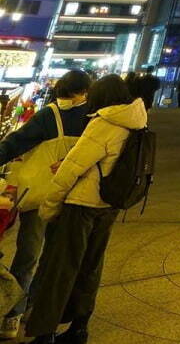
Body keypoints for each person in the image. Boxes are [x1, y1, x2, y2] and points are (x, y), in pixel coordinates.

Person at [24, 74, 146, 344]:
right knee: (91, 267)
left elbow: (72, 169)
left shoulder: (104, 123)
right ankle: (79, 328)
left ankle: (45, 335)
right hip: (109, 205)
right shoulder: (136, 120)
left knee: (61, 270)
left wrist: (50, 205)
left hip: (82, 206)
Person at [0, 70, 92, 338]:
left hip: (40, 197)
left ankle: (13, 314)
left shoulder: (49, 115)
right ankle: (32, 311)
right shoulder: (92, 118)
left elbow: (14, 144)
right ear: (84, 92)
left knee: (28, 254)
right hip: (73, 199)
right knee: (53, 258)